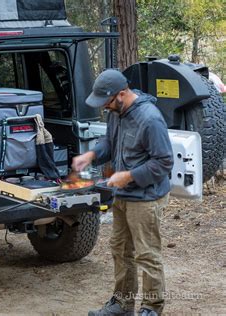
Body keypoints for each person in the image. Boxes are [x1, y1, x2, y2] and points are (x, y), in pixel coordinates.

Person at [72, 69, 173, 316]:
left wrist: (128, 176)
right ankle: (122, 304)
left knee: (147, 254)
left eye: (106, 101)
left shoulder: (150, 119)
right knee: (120, 249)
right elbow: (110, 142)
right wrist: (92, 155)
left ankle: (151, 308)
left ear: (121, 94)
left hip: (146, 198)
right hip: (123, 196)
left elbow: (164, 162)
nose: (104, 107)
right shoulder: (116, 113)